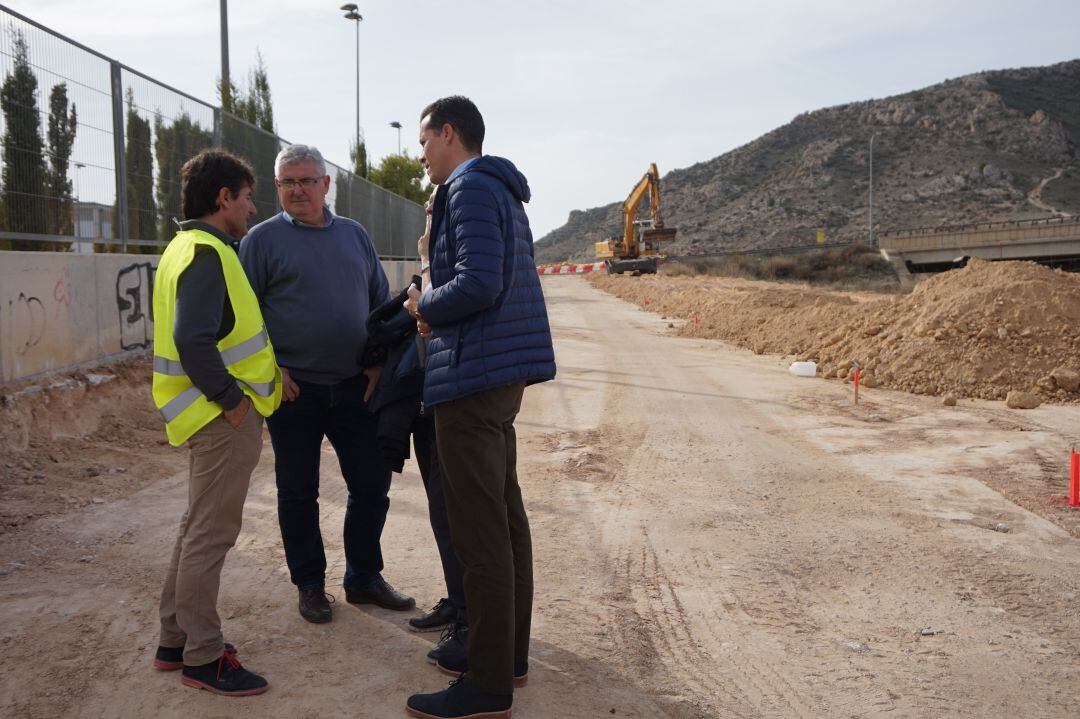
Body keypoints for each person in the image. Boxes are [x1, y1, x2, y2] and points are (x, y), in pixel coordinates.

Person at [404, 96, 556, 719]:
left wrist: (423, 305)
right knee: (505, 516)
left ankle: (489, 685)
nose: (419, 155)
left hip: (471, 377)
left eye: (423, 142)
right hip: (496, 374)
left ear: (448, 134)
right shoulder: (497, 189)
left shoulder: (467, 189)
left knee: (480, 532)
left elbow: (478, 282)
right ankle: (507, 657)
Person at [239, 144, 414, 624]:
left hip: (356, 386)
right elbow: (244, 317)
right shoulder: (261, 241)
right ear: (277, 187)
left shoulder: (354, 235)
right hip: (295, 391)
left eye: (306, 180)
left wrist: (378, 364)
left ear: (325, 184)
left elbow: (381, 306)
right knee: (298, 492)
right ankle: (310, 585)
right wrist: (273, 370)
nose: (297, 189)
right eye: (287, 182)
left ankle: (363, 578)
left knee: (371, 486)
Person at [151, 148, 282, 696]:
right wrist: (232, 401)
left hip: (204, 415)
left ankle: (173, 640)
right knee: (210, 534)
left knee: (195, 528)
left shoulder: (184, 248)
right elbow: (192, 339)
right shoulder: (207, 253)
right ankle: (204, 657)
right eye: (247, 198)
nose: (252, 209)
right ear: (223, 198)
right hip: (219, 420)